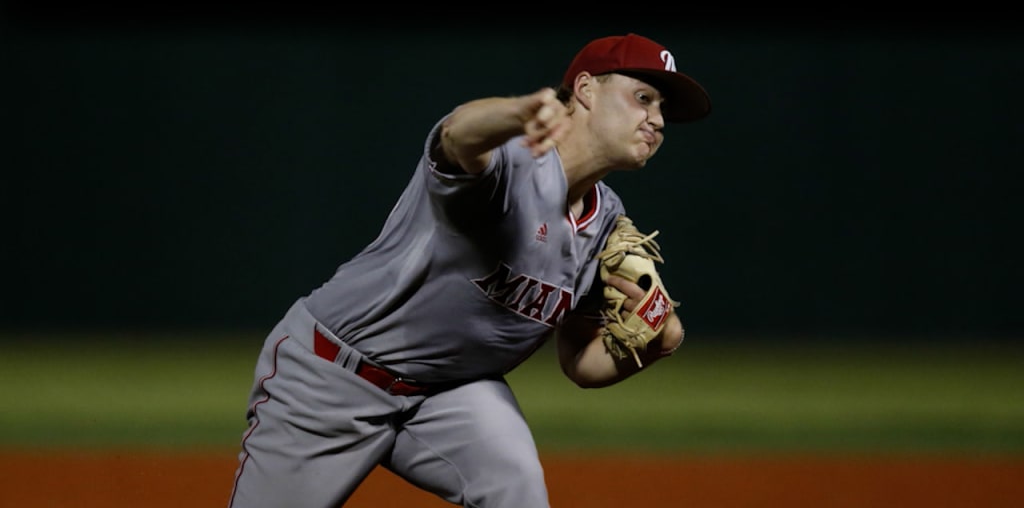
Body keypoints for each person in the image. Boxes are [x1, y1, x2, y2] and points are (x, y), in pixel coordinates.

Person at [226, 32, 712, 508]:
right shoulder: (511, 158)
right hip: (334, 375)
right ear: (584, 90)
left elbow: (581, 365)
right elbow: (458, 135)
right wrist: (516, 113)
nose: (658, 120)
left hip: (454, 392)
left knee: (516, 487)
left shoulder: (605, 221)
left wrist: (657, 344)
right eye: (643, 97)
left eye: (663, 109)